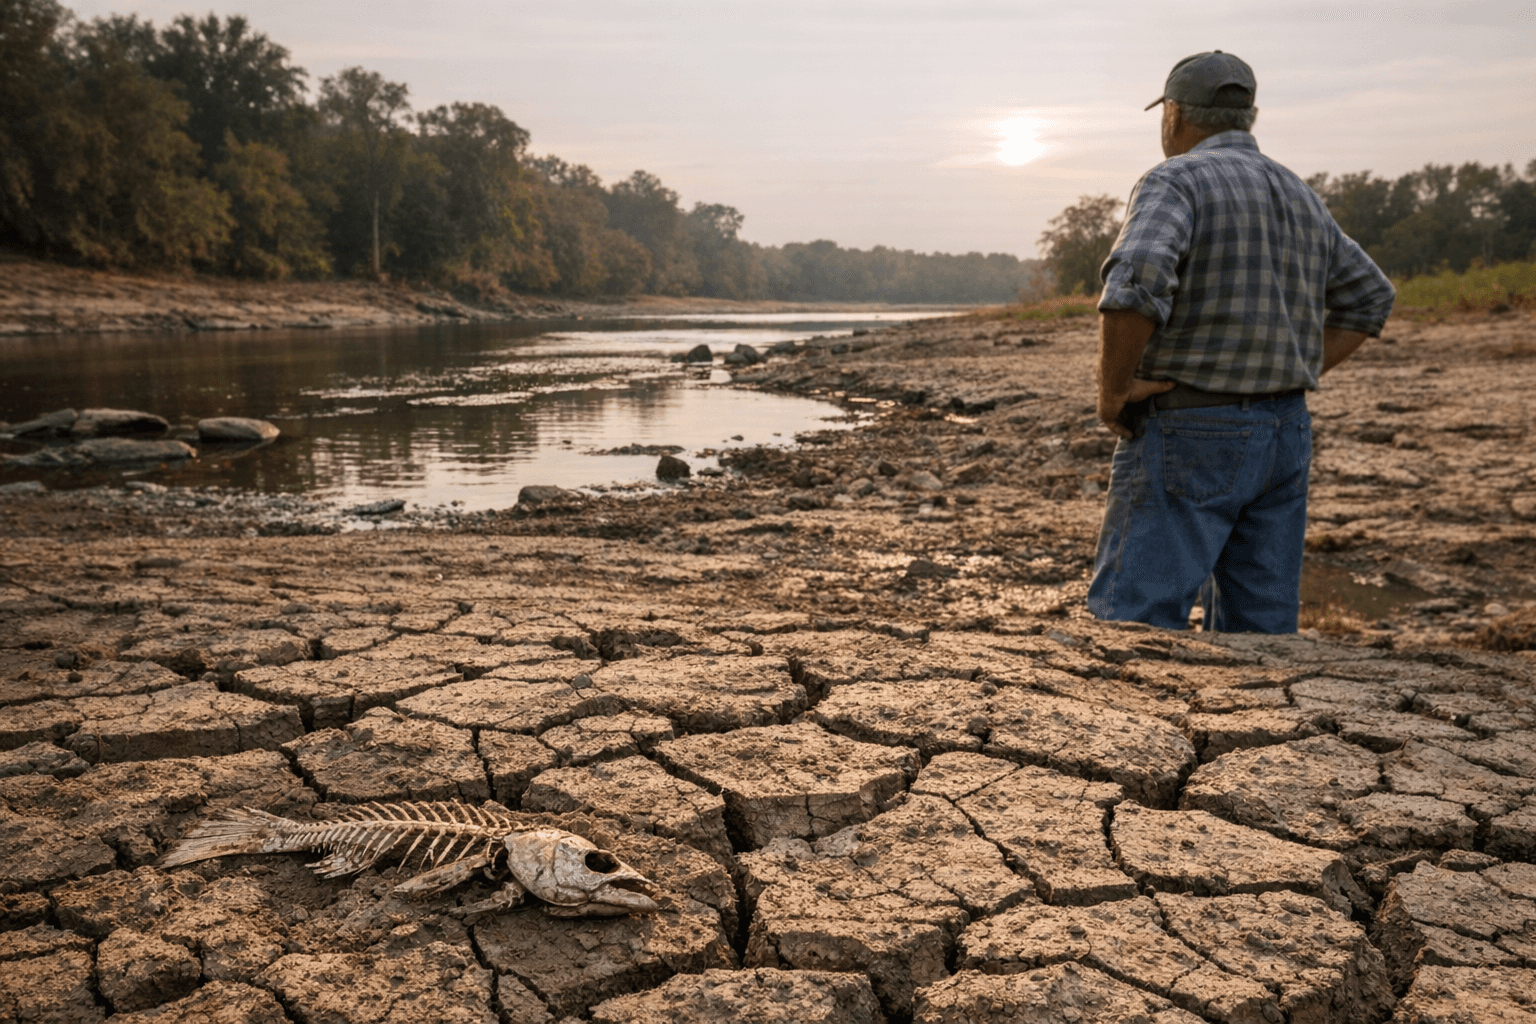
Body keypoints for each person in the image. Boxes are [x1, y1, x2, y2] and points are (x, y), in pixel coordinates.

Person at [1087, 51, 1395, 633]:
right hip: (1285, 432)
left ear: (1174, 115)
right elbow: (1371, 297)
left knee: (1134, 624)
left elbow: (1136, 280)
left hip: (1189, 427)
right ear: (1247, 115)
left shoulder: (1175, 179)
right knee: (1262, 632)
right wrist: (1293, 367)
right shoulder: (1297, 191)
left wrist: (1114, 390)